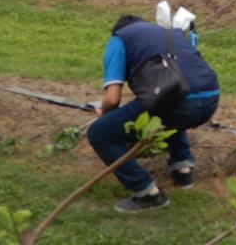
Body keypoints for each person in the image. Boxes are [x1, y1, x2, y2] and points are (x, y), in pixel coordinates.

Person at [87, 14, 220, 213]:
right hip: (211, 99)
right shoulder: (171, 33)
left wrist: (105, 114)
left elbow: (113, 98)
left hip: (181, 104)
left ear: (117, 30)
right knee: (166, 106)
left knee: (99, 133)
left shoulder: (119, 40)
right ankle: (182, 169)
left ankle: (147, 193)